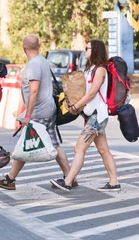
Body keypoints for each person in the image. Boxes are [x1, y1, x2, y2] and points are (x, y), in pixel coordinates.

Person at [0, 35, 76, 190]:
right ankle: (69, 176)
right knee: (50, 143)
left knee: (25, 145)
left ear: (23, 47)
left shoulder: (33, 66)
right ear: (39, 46)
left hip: (39, 112)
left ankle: (10, 179)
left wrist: (28, 115)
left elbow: (34, 91)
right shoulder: (43, 61)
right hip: (48, 109)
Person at [50, 39, 120, 192]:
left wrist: (76, 106)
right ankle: (114, 182)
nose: (84, 51)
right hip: (91, 115)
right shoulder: (91, 69)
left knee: (79, 148)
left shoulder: (100, 69)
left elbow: (92, 93)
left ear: (95, 50)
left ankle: (68, 181)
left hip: (97, 115)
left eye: (87, 48)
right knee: (103, 150)